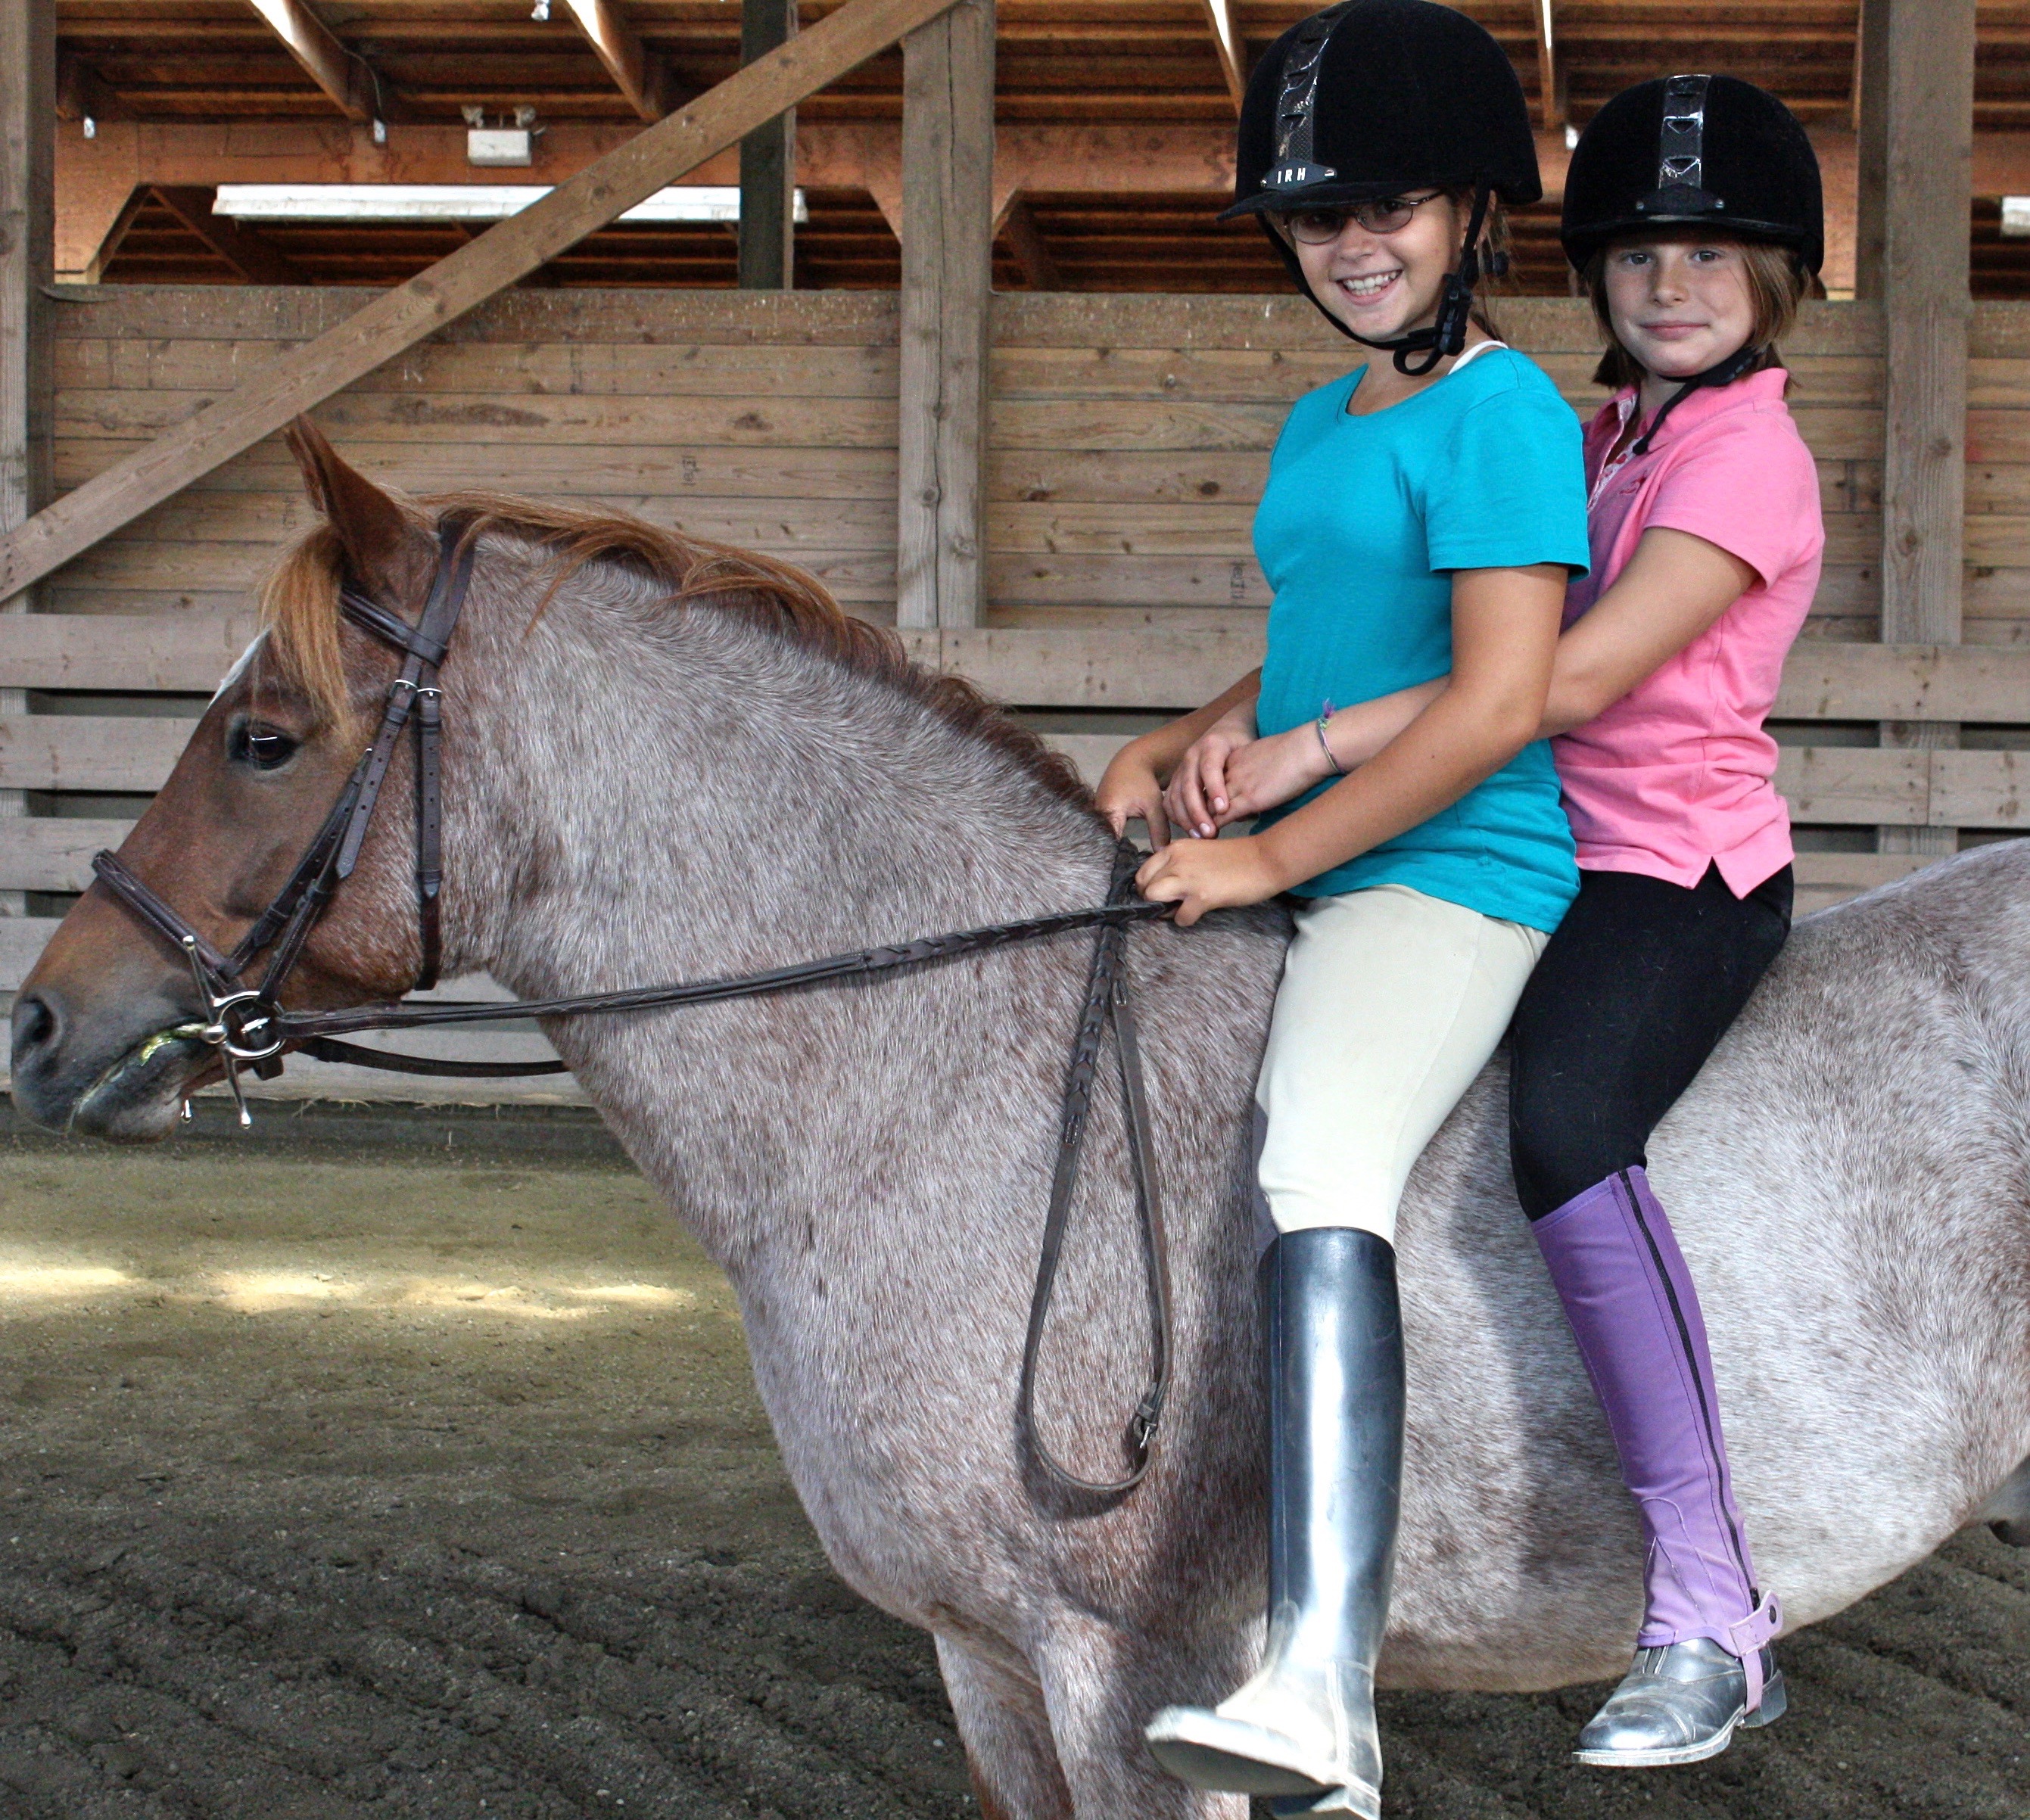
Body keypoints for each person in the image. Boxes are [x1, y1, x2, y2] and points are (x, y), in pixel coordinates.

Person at [1159, 73, 1828, 1770]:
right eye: (1640, 255)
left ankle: (1710, 1602)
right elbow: (1406, 627)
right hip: (1485, 826)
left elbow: (1559, 679)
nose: (1671, 287)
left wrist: (1301, 762)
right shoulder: (1593, 433)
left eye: (1713, 254)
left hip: (1664, 867)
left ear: (1778, 278)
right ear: (1589, 268)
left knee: (1571, 1130)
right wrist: (1209, 733)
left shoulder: (1746, 459)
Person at [1095, 5, 1589, 1814]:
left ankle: (1323, 1683)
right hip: (1317, 833)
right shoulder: (1326, 415)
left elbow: (1491, 700)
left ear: (1472, 210)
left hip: (1455, 869)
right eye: (1316, 223)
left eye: (1385, 209)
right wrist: (1189, 740)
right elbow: (1324, 646)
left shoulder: (1508, 411)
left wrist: (1273, 858)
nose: (1353, 246)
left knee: (1320, 1164)